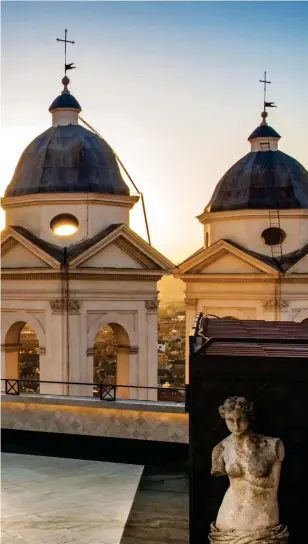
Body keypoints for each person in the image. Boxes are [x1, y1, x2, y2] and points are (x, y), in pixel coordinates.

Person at [209, 396, 288, 543]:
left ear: (249, 417)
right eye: (230, 420)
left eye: (241, 419)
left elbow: (274, 487)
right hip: (227, 519)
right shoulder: (221, 449)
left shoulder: (272, 445)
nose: (236, 425)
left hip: (261, 521)